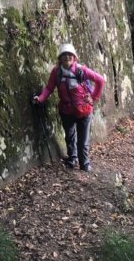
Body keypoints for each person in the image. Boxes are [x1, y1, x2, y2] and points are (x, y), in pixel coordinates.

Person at [33, 43, 105, 172]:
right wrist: (41, 98)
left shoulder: (81, 70)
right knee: (70, 136)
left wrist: (94, 98)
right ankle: (72, 158)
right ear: (59, 58)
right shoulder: (56, 72)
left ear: (74, 57)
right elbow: (49, 87)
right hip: (66, 110)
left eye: (70, 54)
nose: (67, 57)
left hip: (84, 109)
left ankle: (85, 164)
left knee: (83, 139)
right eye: (64, 55)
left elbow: (100, 80)